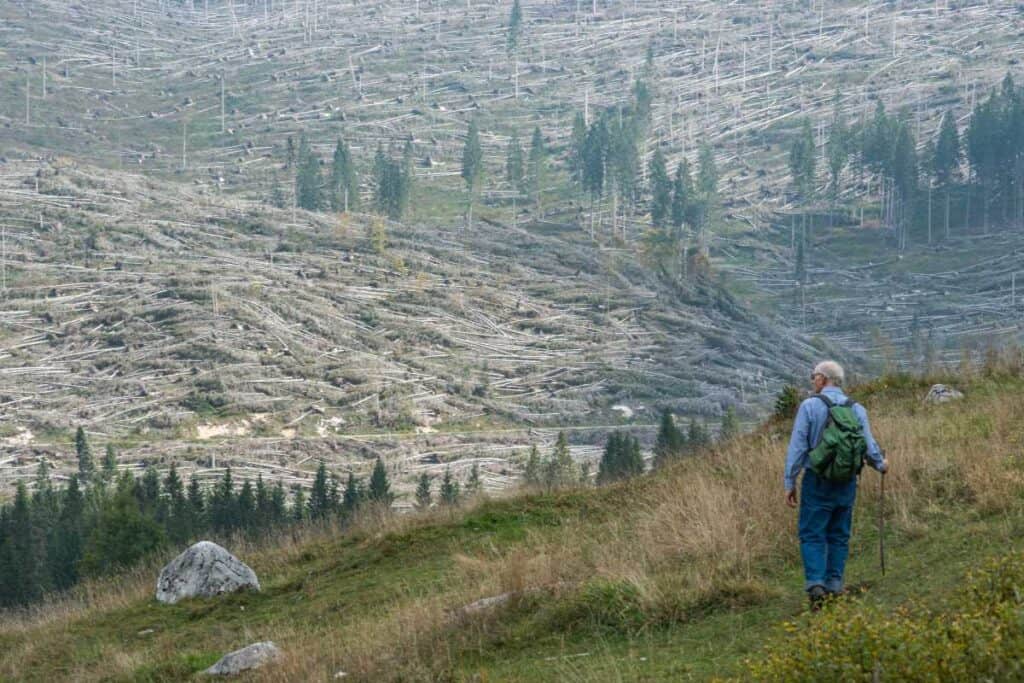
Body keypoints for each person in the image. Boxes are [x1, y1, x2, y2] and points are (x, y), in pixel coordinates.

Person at [784, 361, 888, 609]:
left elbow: (798, 447)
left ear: (822, 379)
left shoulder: (810, 406)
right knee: (839, 534)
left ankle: (816, 585)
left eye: (813, 377)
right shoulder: (857, 409)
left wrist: (790, 481)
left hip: (817, 480)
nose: (812, 381)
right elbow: (868, 445)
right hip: (847, 480)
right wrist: (881, 465)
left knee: (812, 532)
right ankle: (834, 584)